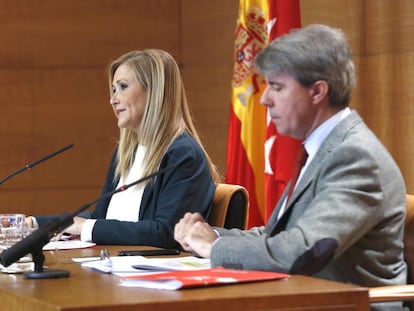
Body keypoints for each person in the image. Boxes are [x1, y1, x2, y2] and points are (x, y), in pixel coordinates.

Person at [174, 24, 407, 310]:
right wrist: (211, 233)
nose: (264, 99)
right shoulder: (322, 149)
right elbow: (276, 237)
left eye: (277, 87)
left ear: (318, 91)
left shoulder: (355, 156)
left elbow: (303, 251)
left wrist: (213, 248)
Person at [27, 49, 220, 248]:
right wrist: (34, 224)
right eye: (113, 90)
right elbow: (101, 217)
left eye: (122, 87)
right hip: (115, 265)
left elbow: (166, 232)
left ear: (154, 91)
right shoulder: (125, 152)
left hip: (153, 274)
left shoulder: (182, 154)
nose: (113, 99)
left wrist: (86, 228)